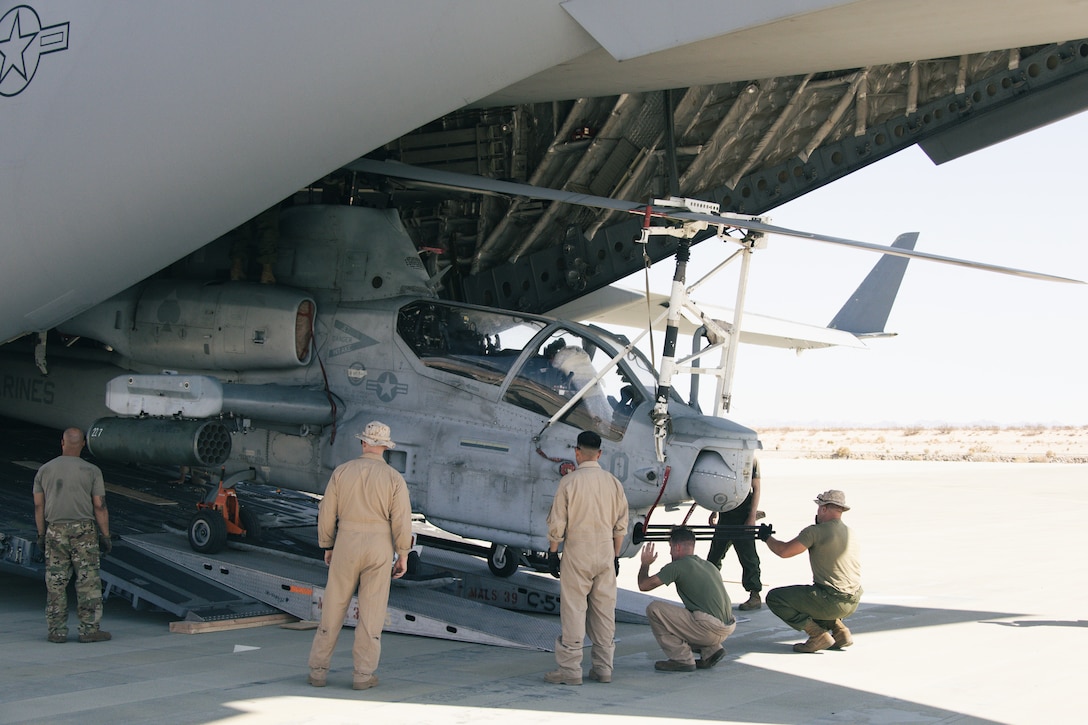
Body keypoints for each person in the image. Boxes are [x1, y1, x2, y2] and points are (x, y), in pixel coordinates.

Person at [307, 421, 413, 690]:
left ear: (363, 443)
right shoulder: (394, 478)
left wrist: (328, 545)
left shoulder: (342, 472)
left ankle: (318, 671)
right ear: (385, 448)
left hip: (347, 542)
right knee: (371, 612)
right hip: (379, 545)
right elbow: (401, 520)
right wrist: (403, 554)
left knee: (333, 608)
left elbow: (327, 511)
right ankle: (363, 675)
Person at [544, 430, 629, 686]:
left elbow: (558, 523)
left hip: (577, 550)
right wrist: (615, 556)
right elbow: (621, 525)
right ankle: (603, 668)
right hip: (605, 551)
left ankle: (570, 670)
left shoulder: (569, 483)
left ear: (577, 452)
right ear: (600, 453)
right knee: (604, 611)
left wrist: (552, 553)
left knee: (574, 608)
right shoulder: (613, 482)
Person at [32, 427, 112, 644]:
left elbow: (39, 505)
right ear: (83, 444)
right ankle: (89, 630)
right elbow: (100, 506)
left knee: (56, 583)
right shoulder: (92, 471)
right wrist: (105, 535)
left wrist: (41, 534)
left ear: (62, 442)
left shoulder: (45, 470)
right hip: (83, 532)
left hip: (55, 529)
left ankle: (56, 631)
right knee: (88, 581)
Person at [762, 489, 862, 653]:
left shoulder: (815, 531)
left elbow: (784, 551)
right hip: (853, 601)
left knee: (776, 598)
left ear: (823, 509)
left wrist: (766, 537)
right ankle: (840, 631)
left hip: (831, 601)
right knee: (812, 596)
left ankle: (817, 636)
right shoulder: (850, 532)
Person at [637, 526, 736, 672]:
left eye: (670, 547)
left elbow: (644, 585)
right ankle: (712, 650)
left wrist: (645, 564)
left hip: (708, 629)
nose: (670, 552)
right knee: (689, 613)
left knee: (655, 609)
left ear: (677, 547)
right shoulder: (709, 565)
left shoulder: (677, 566)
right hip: (726, 628)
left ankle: (681, 659)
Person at [706, 458, 763, 610]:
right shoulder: (723, 457)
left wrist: (751, 516)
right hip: (725, 511)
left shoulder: (750, 460)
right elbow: (719, 487)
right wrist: (714, 510)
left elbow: (756, 488)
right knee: (714, 557)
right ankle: (708, 593)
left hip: (743, 513)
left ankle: (755, 595)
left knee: (748, 557)